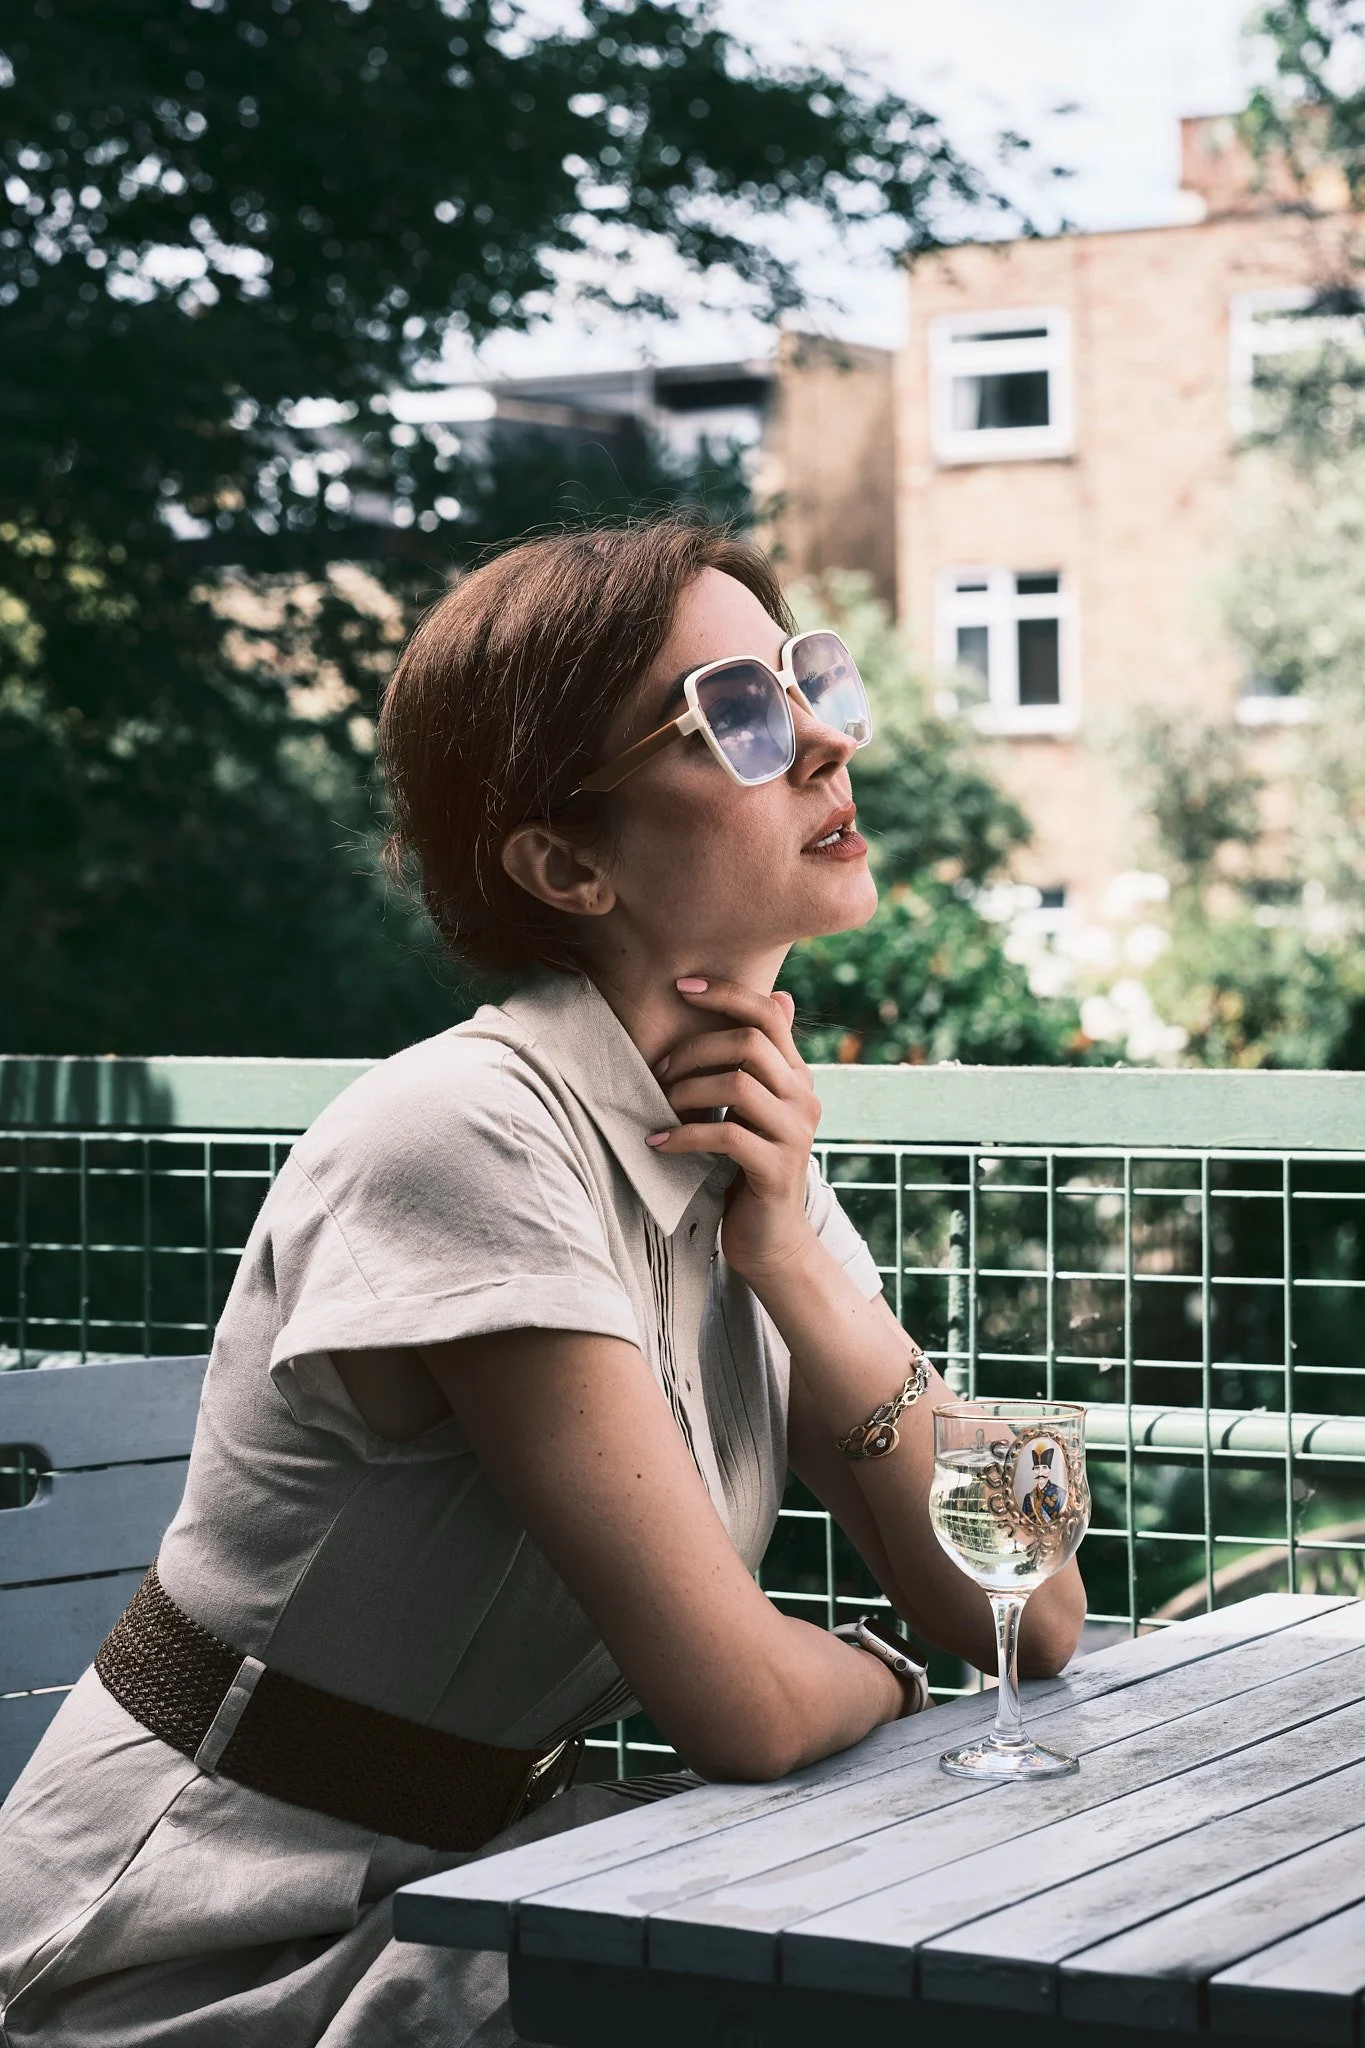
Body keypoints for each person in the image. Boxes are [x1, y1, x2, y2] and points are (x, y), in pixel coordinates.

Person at [0, 515, 1086, 2045]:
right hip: (194, 1941)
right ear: (566, 861)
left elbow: (1035, 1611)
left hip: (479, 1884)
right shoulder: (466, 1135)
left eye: (808, 682)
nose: (829, 741)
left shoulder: (741, 1144)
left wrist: (794, 1262)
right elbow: (743, 1705)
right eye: (739, 714)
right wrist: (887, 1681)